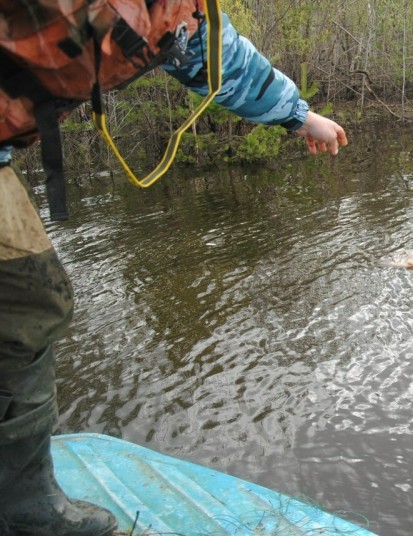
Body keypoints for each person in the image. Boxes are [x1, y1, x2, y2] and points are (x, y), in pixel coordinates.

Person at [0, 2, 347, 534]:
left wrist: (299, 115)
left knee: (29, 304)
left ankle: (21, 507)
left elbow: (209, 50)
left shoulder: (177, 11)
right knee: (27, 305)